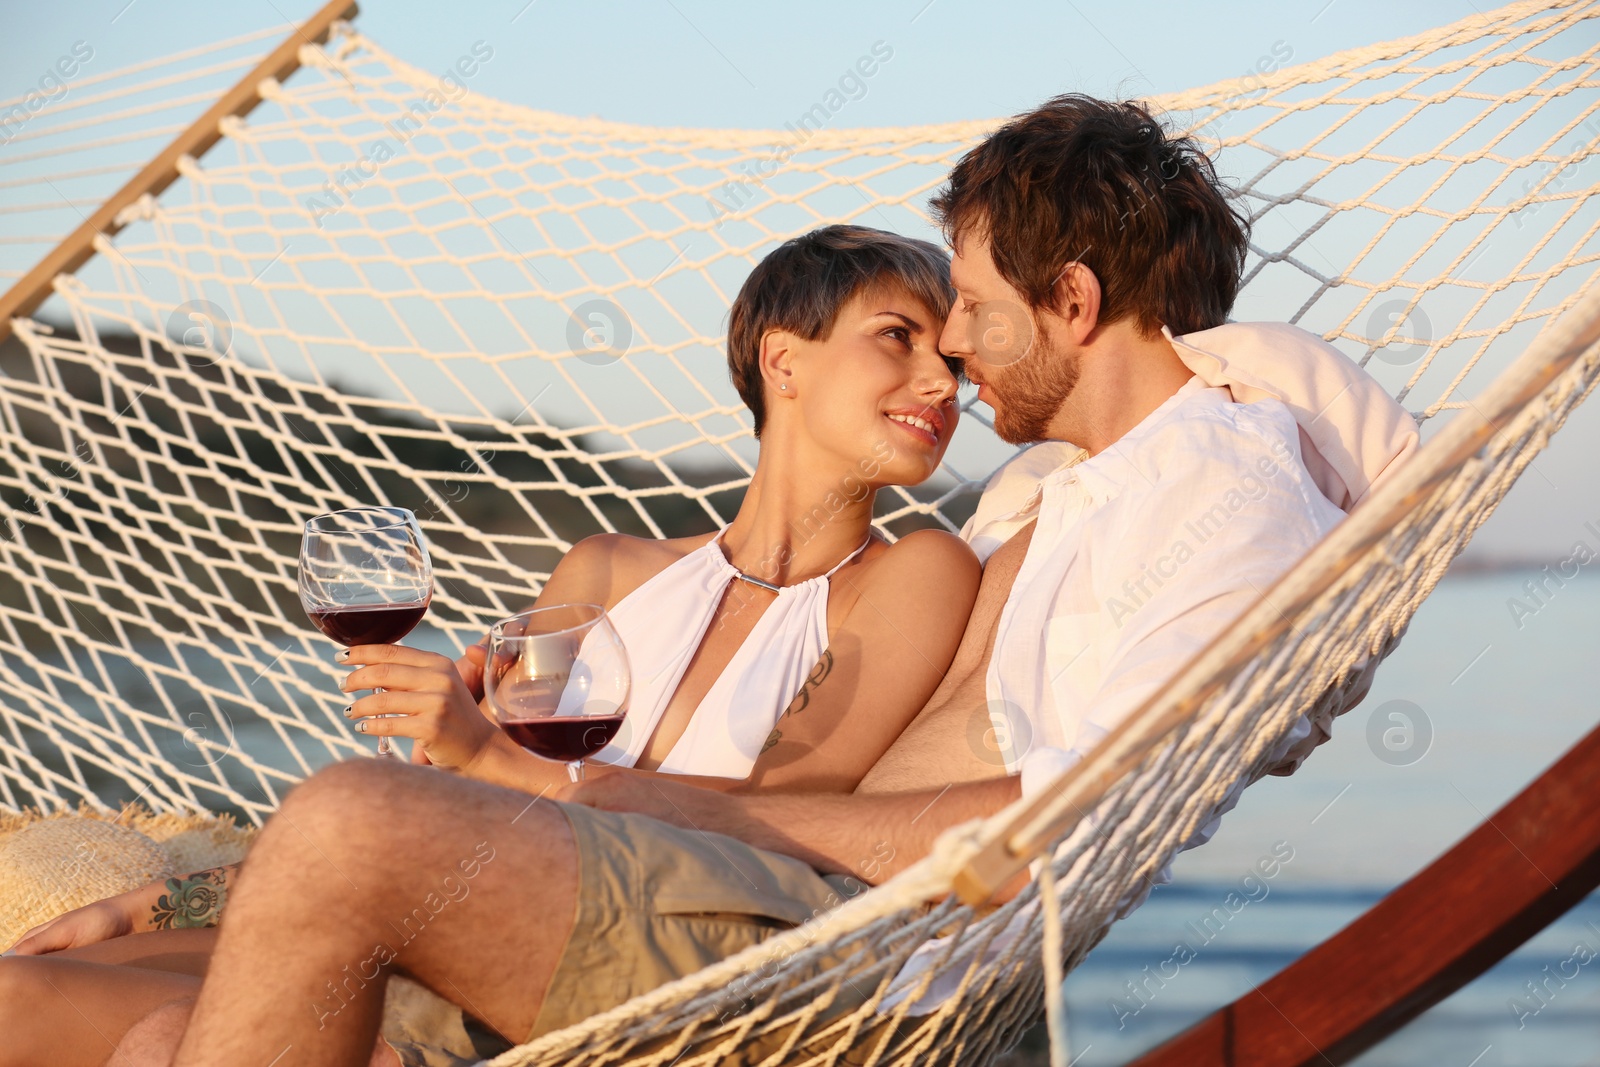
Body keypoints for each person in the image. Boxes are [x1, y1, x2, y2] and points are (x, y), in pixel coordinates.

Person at [108, 92, 1387, 1065]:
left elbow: (1074, 820)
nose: (950, 345)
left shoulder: (1221, 494)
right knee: (110, 1018)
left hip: (854, 972)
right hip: (758, 898)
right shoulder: (1056, 490)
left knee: (352, 821)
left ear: (1072, 296)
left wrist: (699, 811)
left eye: (975, 308)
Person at [0, 224, 982, 1067]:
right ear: (784, 360)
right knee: (18, 995)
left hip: (639, 960)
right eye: (899, 338)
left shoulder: (913, 572)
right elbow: (455, 817)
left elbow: (775, 823)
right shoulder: (605, 570)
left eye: (953, 360)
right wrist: (174, 899)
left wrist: (480, 750)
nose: (942, 380)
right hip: (435, 924)